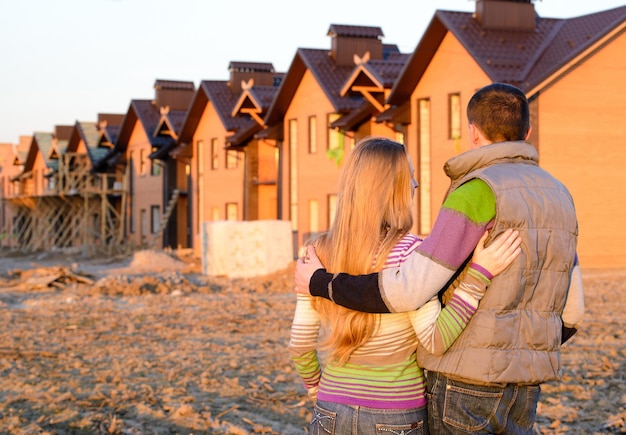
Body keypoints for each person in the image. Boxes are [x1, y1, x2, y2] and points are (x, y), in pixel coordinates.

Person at [295, 83, 585, 434]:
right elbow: (572, 312)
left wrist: (319, 282)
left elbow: (409, 289)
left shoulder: (475, 191)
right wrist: (523, 347)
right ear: (528, 132)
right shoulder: (560, 197)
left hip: (461, 380)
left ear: (473, 132)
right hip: (523, 385)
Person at [289, 137, 522, 435]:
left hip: (331, 408)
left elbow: (299, 345)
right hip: (396, 411)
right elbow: (436, 339)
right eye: (408, 177)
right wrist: (480, 274)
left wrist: (318, 391)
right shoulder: (411, 254)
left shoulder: (316, 254)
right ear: (391, 189)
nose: (415, 185)